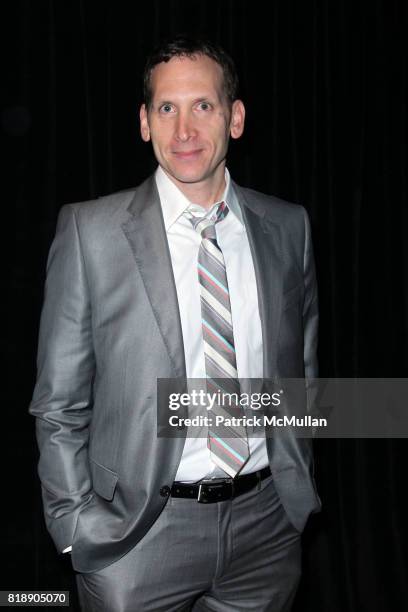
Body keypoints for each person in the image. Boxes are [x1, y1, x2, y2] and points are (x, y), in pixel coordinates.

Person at [29, 36, 321, 612]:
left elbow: (301, 376)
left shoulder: (289, 228)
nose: (184, 130)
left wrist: (297, 491)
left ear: (235, 118)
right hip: (136, 536)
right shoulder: (91, 232)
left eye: (203, 106)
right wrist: (74, 526)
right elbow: (58, 404)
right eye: (167, 108)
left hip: (266, 529)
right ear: (144, 122)